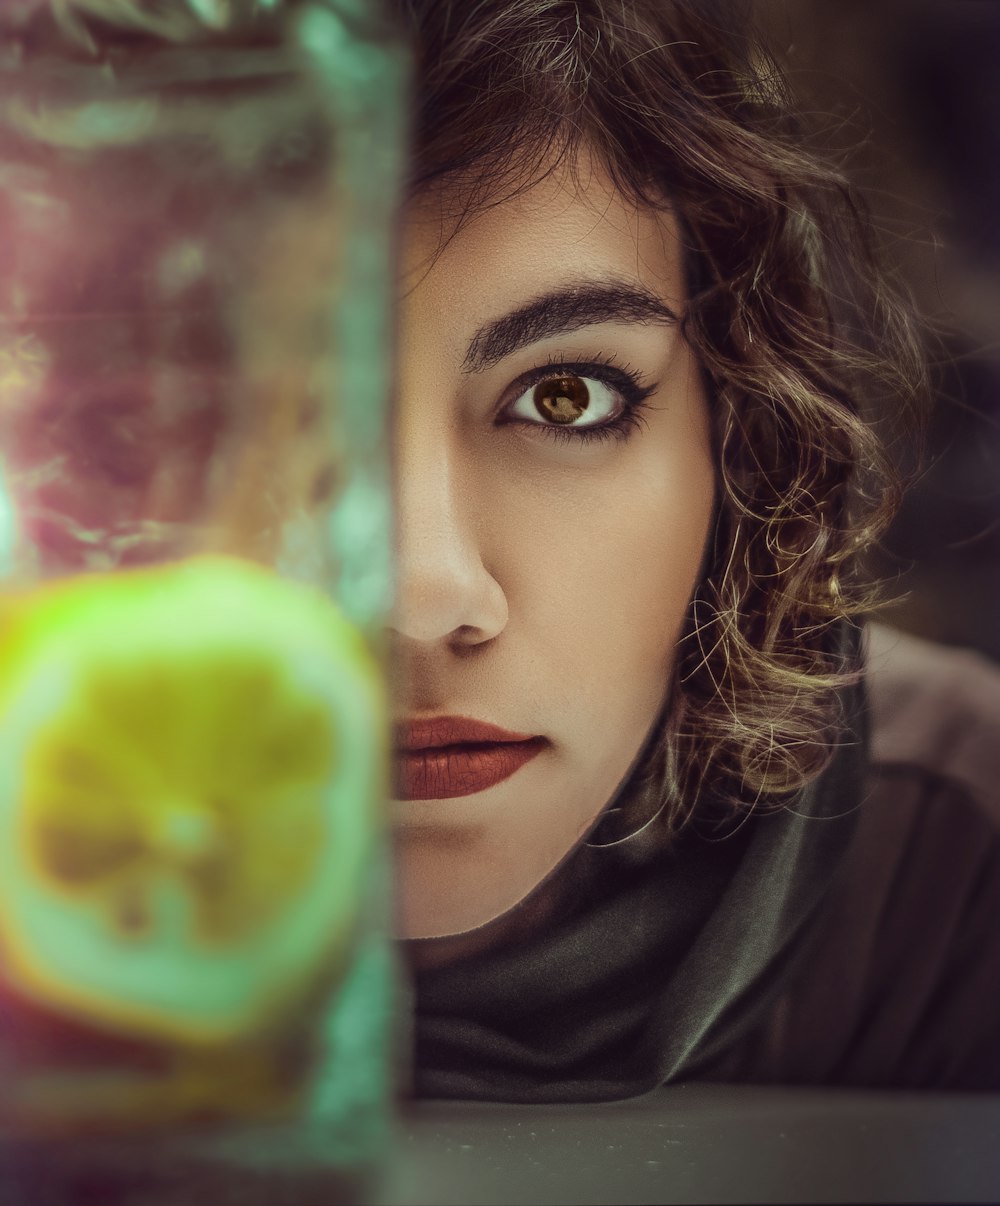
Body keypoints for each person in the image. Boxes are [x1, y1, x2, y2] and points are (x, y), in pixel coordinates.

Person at [386, 0, 1000, 1099]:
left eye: (565, 396)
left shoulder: (960, 863)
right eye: (268, 412)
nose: (425, 592)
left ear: (742, 432)